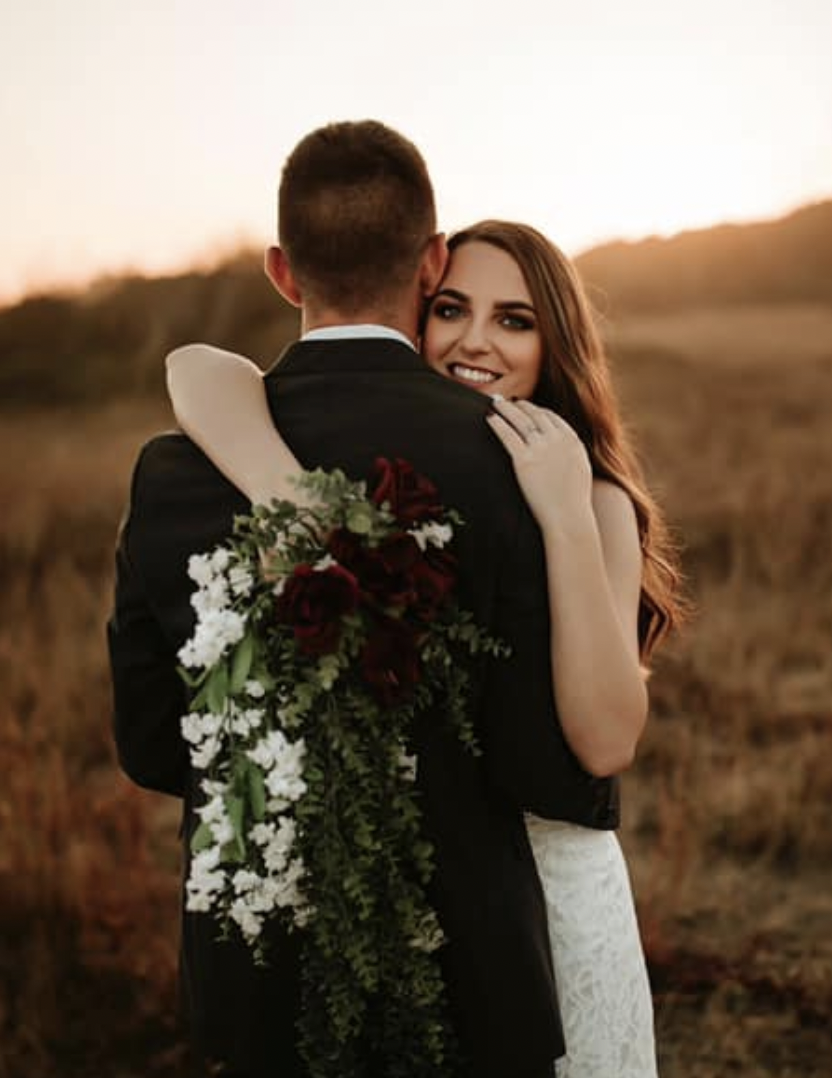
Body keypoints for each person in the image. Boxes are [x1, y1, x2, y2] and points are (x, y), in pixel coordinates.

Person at [166, 220, 686, 1077]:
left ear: (556, 344)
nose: (476, 342)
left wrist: (562, 515)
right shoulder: (402, 472)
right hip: (428, 894)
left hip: (552, 898)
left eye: (515, 321)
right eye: (452, 309)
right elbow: (197, 367)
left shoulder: (589, 495)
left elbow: (605, 741)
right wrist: (281, 488)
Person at [108, 121, 571, 1078]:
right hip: (471, 981)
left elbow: (153, 743)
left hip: (261, 975)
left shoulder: (175, 471)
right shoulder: (515, 453)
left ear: (283, 271)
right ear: (433, 260)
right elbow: (535, 754)